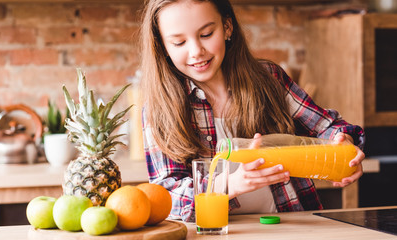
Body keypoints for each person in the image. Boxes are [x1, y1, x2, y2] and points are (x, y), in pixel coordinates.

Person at [139, 0, 365, 222]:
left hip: (292, 226)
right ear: (163, 47)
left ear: (227, 27)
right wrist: (230, 184)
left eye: (206, 34)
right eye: (179, 43)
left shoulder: (268, 78)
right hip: (218, 234)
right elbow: (166, 197)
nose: (196, 51)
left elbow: (328, 126)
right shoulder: (160, 109)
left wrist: (343, 142)